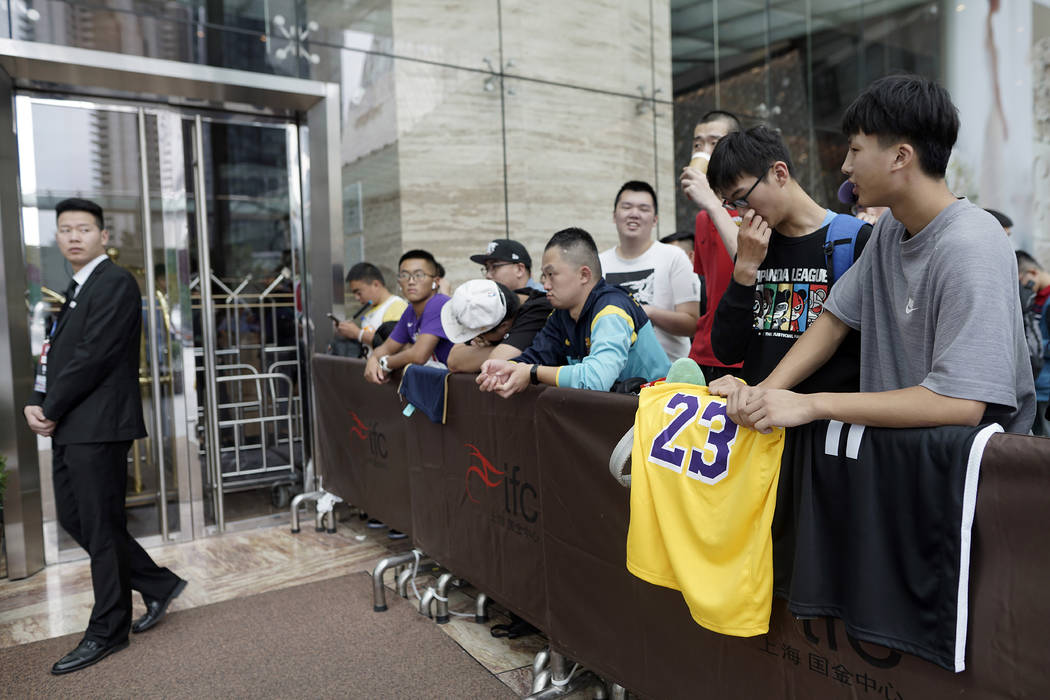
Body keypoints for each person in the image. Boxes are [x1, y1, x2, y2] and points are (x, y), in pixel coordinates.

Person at [712, 74, 1035, 434]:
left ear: (900, 156)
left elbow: (960, 402)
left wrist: (810, 404)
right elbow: (835, 320)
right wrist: (761, 393)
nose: (846, 167)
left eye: (855, 150)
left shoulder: (972, 242)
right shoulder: (889, 229)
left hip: (969, 477)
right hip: (902, 462)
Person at [24, 198, 187, 675]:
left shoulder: (114, 282)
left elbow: (93, 356)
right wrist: (38, 396)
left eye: (84, 229)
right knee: (82, 520)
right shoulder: (76, 288)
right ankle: (156, 584)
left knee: (98, 525)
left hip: (97, 426)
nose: (73, 236)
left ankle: (108, 630)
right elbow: (56, 354)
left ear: (103, 237)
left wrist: (50, 408)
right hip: (74, 424)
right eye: (65, 229)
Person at [707, 125, 872, 392]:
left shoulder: (854, 240)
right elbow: (727, 351)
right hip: (759, 421)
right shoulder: (755, 245)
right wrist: (744, 271)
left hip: (826, 423)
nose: (741, 213)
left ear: (779, 173)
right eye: (732, 205)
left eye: (742, 198)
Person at [477, 227, 669, 397]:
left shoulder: (612, 309)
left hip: (660, 415)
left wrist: (531, 372)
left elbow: (596, 380)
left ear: (584, 275)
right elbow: (536, 357)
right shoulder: (561, 314)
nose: (545, 284)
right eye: (544, 275)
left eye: (552, 274)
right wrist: (509, 368)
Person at [599, 181, 701, 360]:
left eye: (644, 209)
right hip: (613, 372)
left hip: (667, 375)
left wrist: (649, 312)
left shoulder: (674, 257)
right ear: (614, 216)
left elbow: (692, 323)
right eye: (627, 207)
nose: (634, 214)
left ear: (655, 219)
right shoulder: (599, 263)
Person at [679, 110, 745, 379]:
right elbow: (711, 289)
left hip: (743, 354)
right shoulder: (703, 217)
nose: (704, 151)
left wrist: (711, 200)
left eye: (714, 143)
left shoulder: (752, 209)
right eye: (698, 144)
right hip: (703, 350)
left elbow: (749, 265)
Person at [364, 249, 452, 384]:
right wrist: (372, 359)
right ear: (399, 282)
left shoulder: (439, 303)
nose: (411, 281)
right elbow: (387, 348)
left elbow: (418, 355)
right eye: (405, 275)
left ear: (435, 282)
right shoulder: (410, 310)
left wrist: (384, 362)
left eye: (419, 275)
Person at [442, 279, 552, 373]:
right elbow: (453, 360)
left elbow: (496, 361)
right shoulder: (505, 302)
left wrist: (506, 350)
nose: (477, 339)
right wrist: (512, 348)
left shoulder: (539, 310)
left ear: (504, 326)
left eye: (480, 336)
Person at [333, 262, 407, 351]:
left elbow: (394, 345)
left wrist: (358, 333)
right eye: (354, 294)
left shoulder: (396, 306)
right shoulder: (372, 310)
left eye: (359, 292)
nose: (356, 297)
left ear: (375, 285)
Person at [1017, 250, 1050, 435]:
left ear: (1033, 272)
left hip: (1046, 388)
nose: (1023, 286)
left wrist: (1031, 345)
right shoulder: (1035, 299)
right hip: (1036, 387)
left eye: (1022, 280)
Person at [470, 238, 546, 292]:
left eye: (494, 267)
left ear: (519, 270)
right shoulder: (499, 303)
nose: (488, 276)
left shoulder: (545, 301)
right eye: (487, 269)